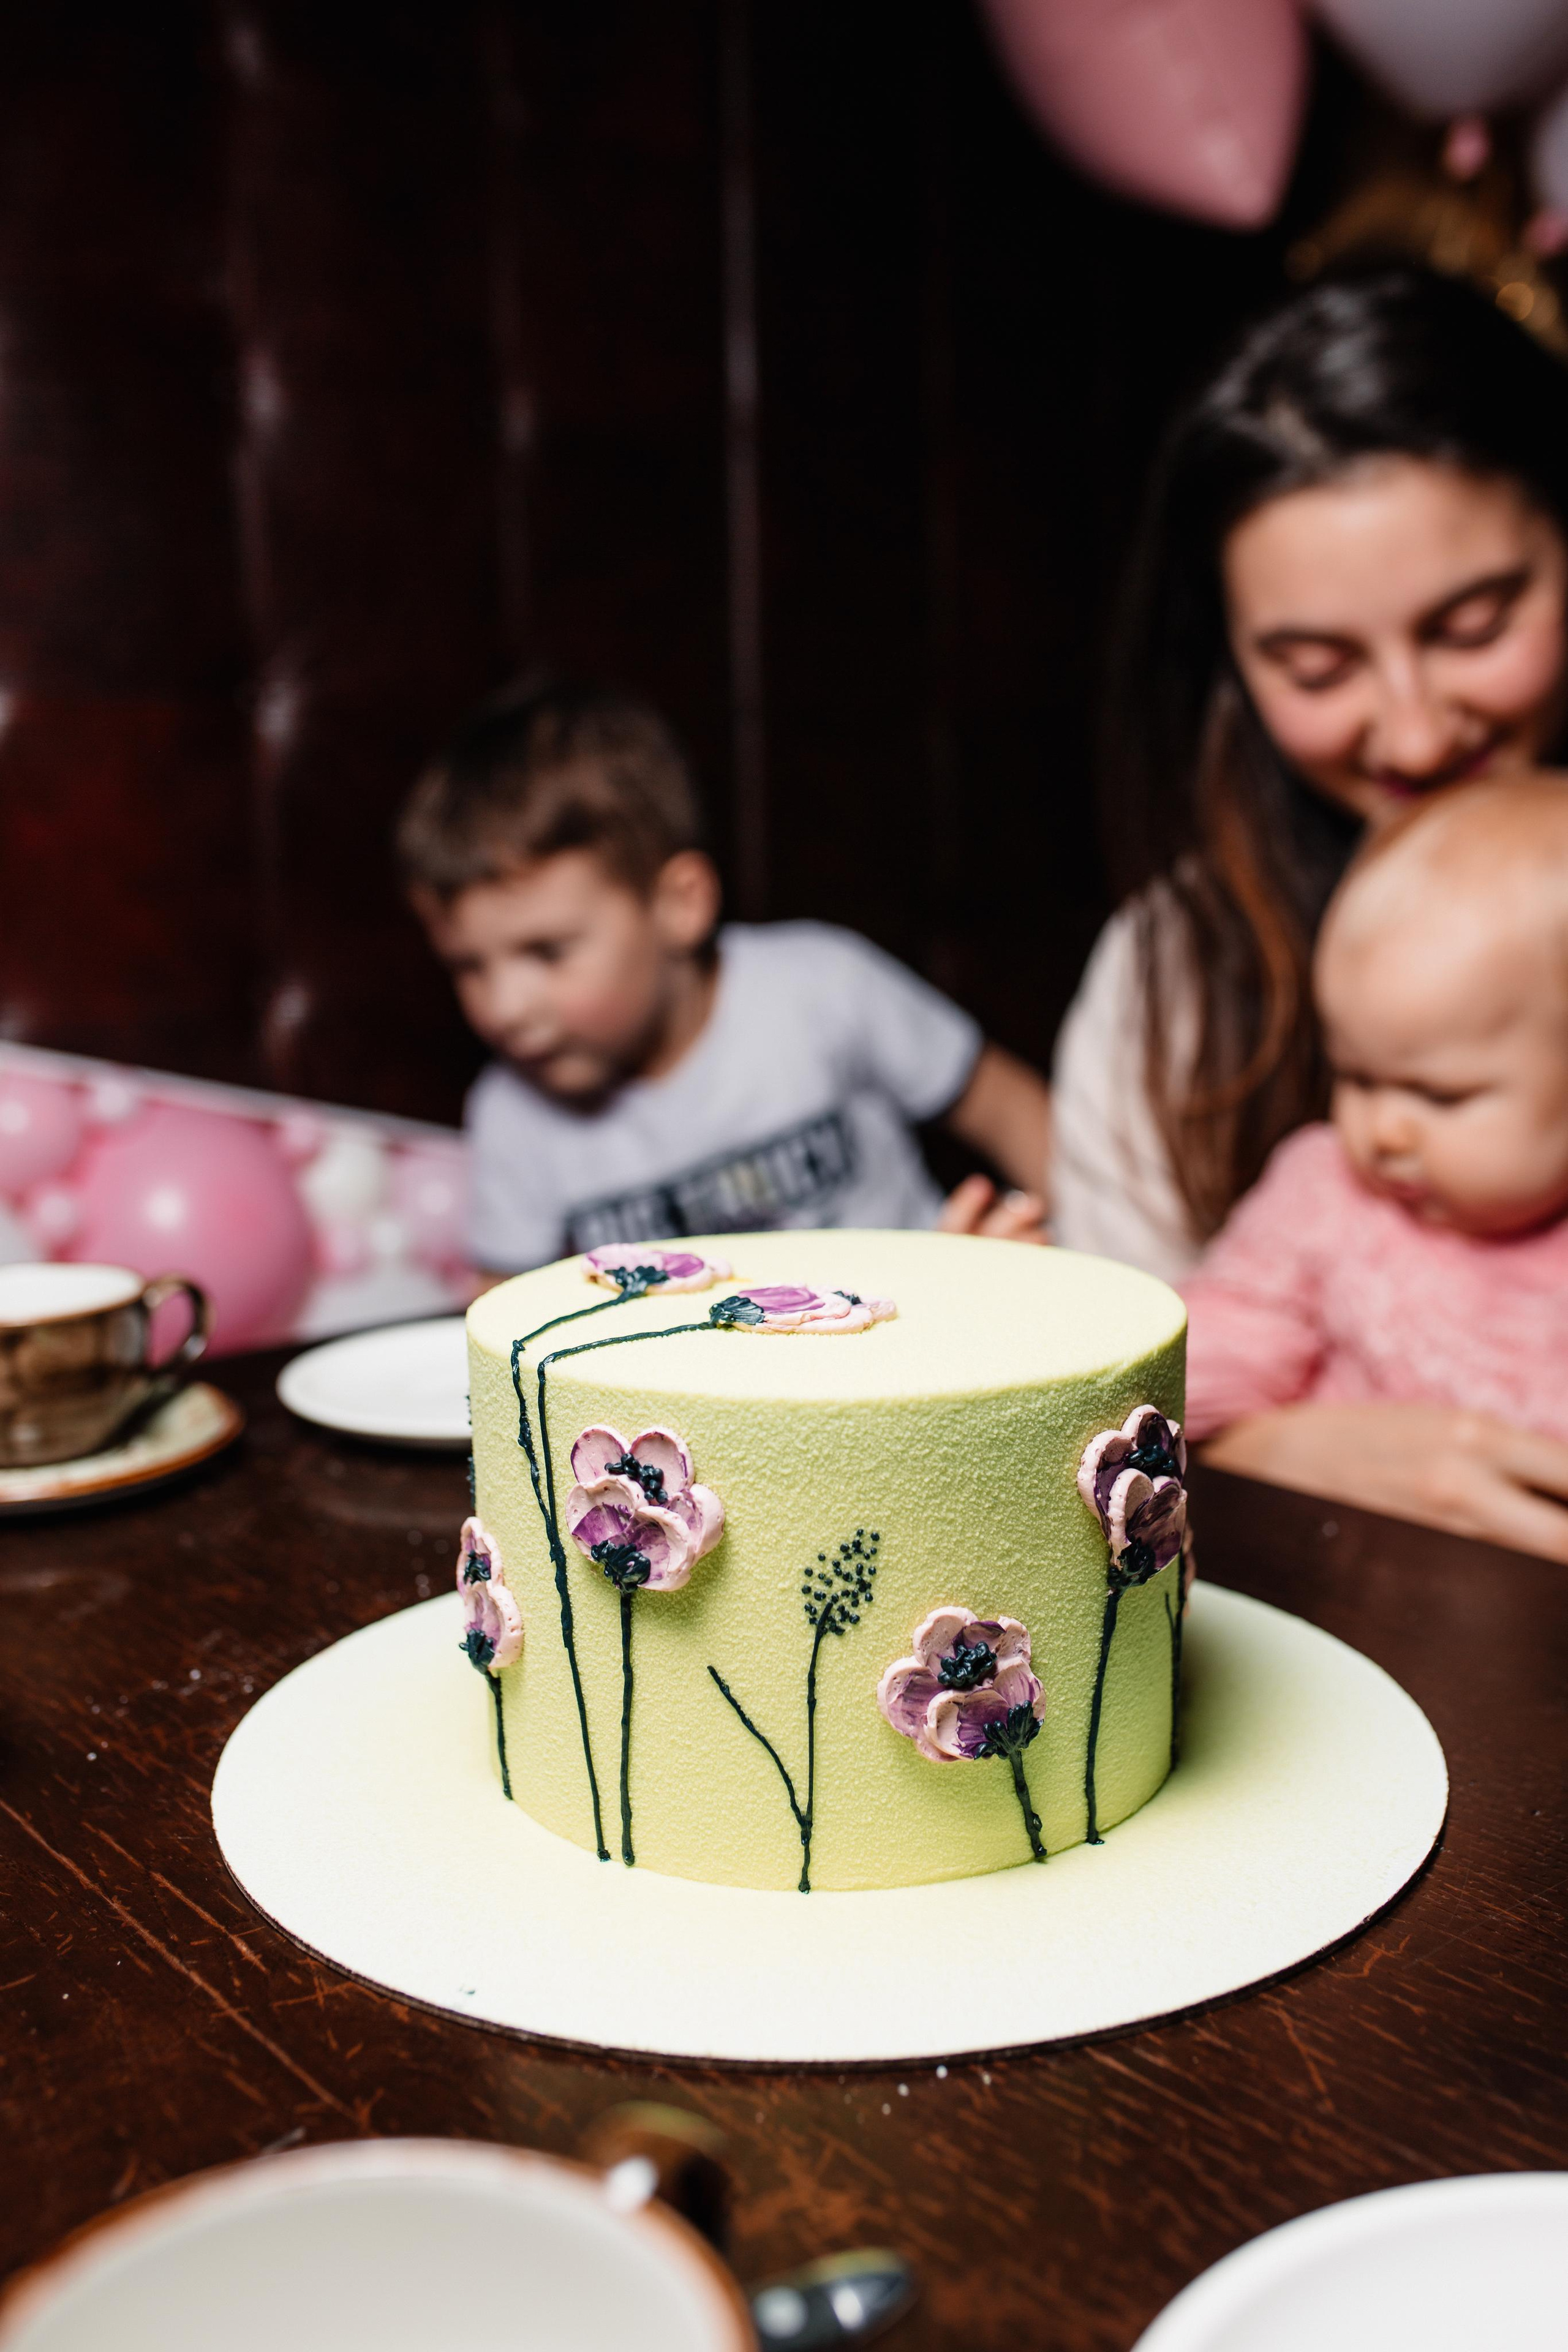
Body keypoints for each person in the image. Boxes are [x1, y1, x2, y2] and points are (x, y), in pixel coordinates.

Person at [1049, 262, 1568, 1547]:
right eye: (1316, 663)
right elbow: (1110, 1410)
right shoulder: (1168, 977)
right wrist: (1292, 1452)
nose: (1409, 725)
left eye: (1473, 622)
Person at [398, 681, 1050, 1273]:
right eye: (468, 965)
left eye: (548, 951)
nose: (504, 1007)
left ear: (679, 905)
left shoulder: (822, 985)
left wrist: (1091, 1258)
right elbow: (501, 1316)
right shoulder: (512, 1114)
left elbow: (1011, 1110)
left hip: (923, 1340)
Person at [1181, 778, 1568, 1561]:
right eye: (1355, 1076)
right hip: (1353, 1598)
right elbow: (1195, 1367)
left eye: (1438, 1094)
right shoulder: (1324, 1195)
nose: (1382, 1129)